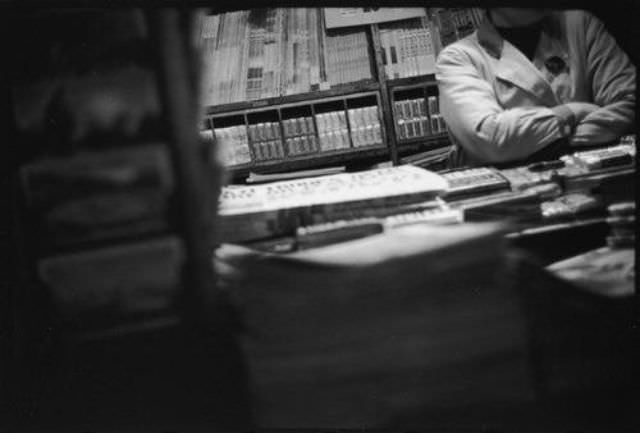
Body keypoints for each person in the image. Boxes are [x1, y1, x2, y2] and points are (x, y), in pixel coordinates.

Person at [435, 8, 636, 167]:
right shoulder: (458, 57)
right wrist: (572, 112)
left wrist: (536, 145)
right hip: (517, 201)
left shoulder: (580, 24)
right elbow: (489, 138)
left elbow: (628, 103)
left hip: (593, 181)